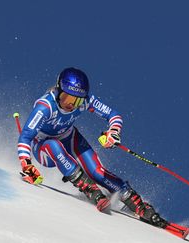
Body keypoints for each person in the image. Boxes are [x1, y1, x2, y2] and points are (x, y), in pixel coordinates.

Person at [17, 67, 167, 227]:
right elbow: (25, 136)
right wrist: (27, 164)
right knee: (53, 145)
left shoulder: (86, 101)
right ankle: (89, 188)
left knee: (97, 172)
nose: (71, 105)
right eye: (66, 98)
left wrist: (113, 132)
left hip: (69, 137)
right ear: (58, 91)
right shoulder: (45, 107)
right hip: (43, 148)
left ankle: (136, 203)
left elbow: (114, 115)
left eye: (77, 101)